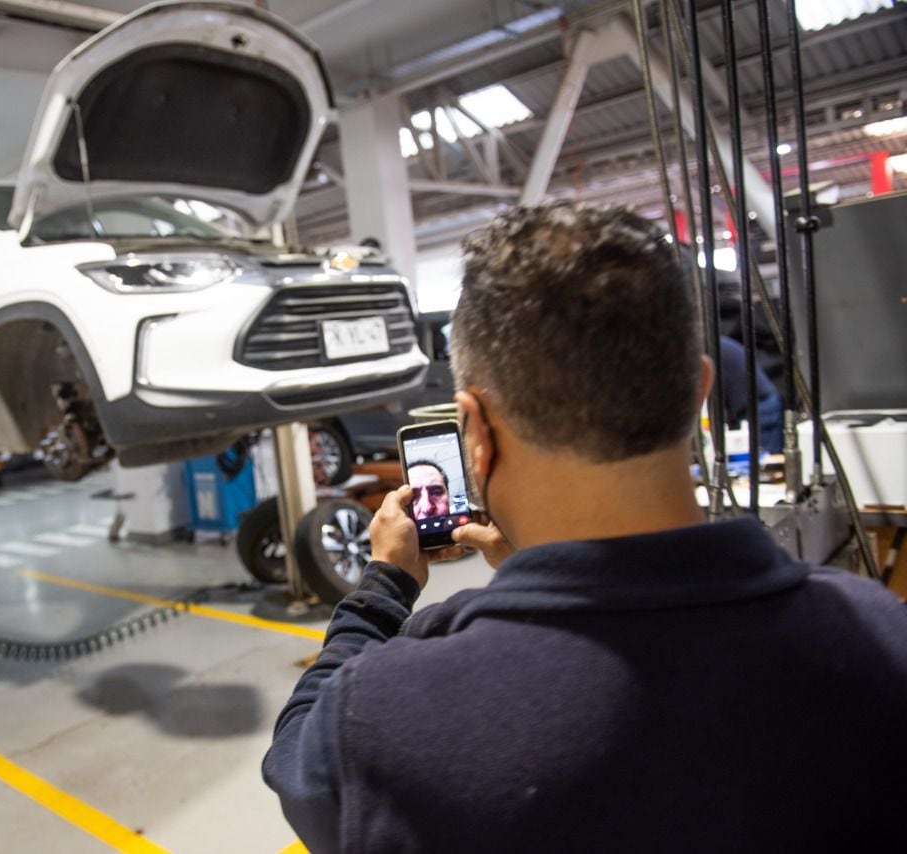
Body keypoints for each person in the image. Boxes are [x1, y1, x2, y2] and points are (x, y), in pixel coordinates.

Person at [262, 202, 907, 853]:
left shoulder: (387, 714)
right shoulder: (879, 637)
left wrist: (380, 591)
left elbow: (297, 764)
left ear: (474, 433)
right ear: (698, 391)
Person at [718, 334, 784, 453]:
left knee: (765, 459)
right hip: (756, 401)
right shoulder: (713, 343)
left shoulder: (704, 348)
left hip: (761, 405)